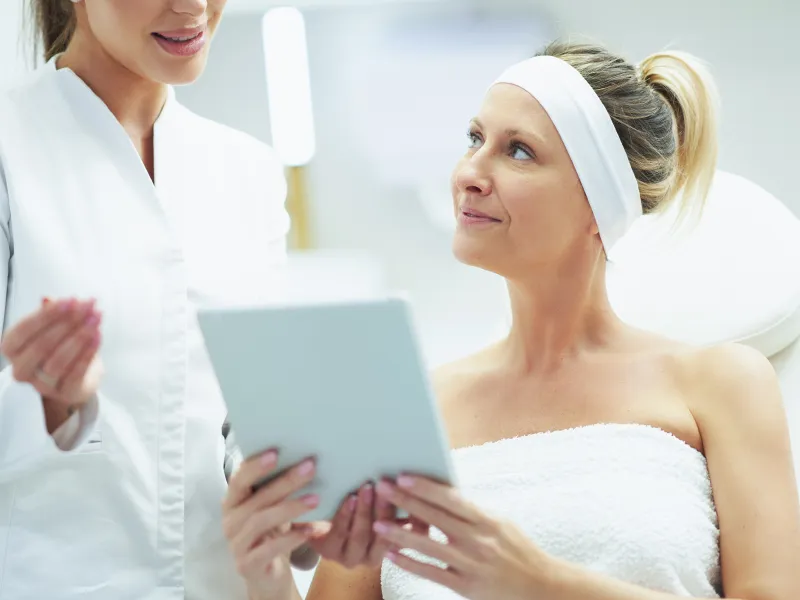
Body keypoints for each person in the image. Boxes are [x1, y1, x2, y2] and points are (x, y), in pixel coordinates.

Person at [221, 40, 800, 600]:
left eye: (518, 150)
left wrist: (539, 585)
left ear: (601, 205)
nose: (470, 171)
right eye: (475, 138)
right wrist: (266, 575)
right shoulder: (411, 406)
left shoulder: (720, 384)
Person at [0, 0, 303, 598]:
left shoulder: (248, 171)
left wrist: (285, 475)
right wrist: (53, 407)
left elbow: (256, 409)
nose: (192, 7)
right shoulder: (12, 150)